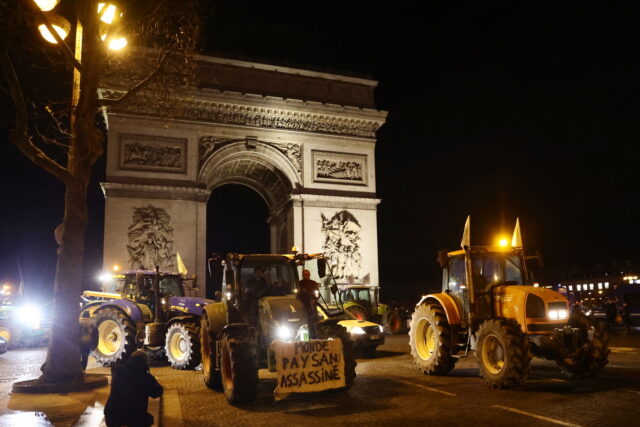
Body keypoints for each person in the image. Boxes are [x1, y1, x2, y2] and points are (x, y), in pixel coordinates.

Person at [104, 350, 163, 427]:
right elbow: (157, 392)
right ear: (145, 361)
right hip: (133, 418)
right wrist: (154, 381)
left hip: (112, 415)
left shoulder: (118, 369)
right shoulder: (146, 377)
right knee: (147, 419)